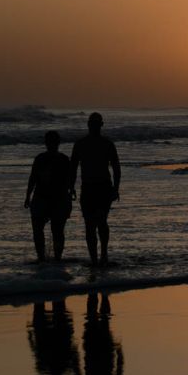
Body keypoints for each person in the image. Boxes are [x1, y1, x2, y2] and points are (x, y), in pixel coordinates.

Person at [71, 113, 121, 267]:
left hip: (103, 187)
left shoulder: (107, 144)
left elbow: (116, 168)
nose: (94, 126)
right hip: (88, 187)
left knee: (101, 221)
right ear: (88, 124)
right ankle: (94, 259)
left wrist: (115, 188)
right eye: (92, 123)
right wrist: (70, 186)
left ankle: (104, 254)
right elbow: (72, 168)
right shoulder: (80, 144)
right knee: (89, 225)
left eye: (96, 123)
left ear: (101, 125)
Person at [25, 131, 74, 262]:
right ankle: (56, 258)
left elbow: (32, 179)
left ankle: (42, 258)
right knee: (57, 231)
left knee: (39, 230)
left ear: (46, 143)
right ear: (58, 143)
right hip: (56, 198)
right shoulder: (63, 159)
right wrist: (70, 195)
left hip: (45, 198)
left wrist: (27, 196)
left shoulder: (41, 158)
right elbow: (70, 181)